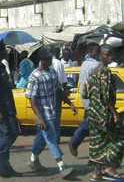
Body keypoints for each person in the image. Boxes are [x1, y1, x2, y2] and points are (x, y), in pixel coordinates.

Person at [26, 47, 76, 178]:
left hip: (54, 112)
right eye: (48, 59)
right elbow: (32, 99)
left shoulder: (53, 72)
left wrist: (70, 103)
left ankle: (33, 158)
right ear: (42, 60)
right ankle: (61, 166)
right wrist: (40, 118)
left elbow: (58, 91)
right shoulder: (34, 76)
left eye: (50, 59)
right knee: (51, 139)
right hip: (43, 114)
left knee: (43, 138)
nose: (50, 61)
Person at [87, 45, 124, 181]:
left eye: (111, 55)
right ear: (102, 55)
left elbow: (85, 93)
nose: (111, 57)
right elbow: (106, 96)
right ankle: (109, 167)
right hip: (104, 115)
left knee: (97, 144)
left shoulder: (93, 71)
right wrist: (114, 113)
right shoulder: (106, 72)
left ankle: (97, 173)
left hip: (93, 113)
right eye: (108, 55)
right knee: (119, 140)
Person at [0, 42, 21, 178]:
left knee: (6, 137)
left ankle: (4, 168)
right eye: (4, 49)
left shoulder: (1, 66)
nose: (7, 51)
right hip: (1, 109)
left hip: (8, 107)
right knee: (10, 134)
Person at [69, 42, 101, 157]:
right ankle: (74, 142)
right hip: (93, 100)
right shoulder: (94, 65)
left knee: (92, 128)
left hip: (87, 99)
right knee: (89, 126)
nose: (99, 53)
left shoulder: (85, 64)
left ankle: (95, 155)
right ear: (92, 52)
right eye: (97, 51)